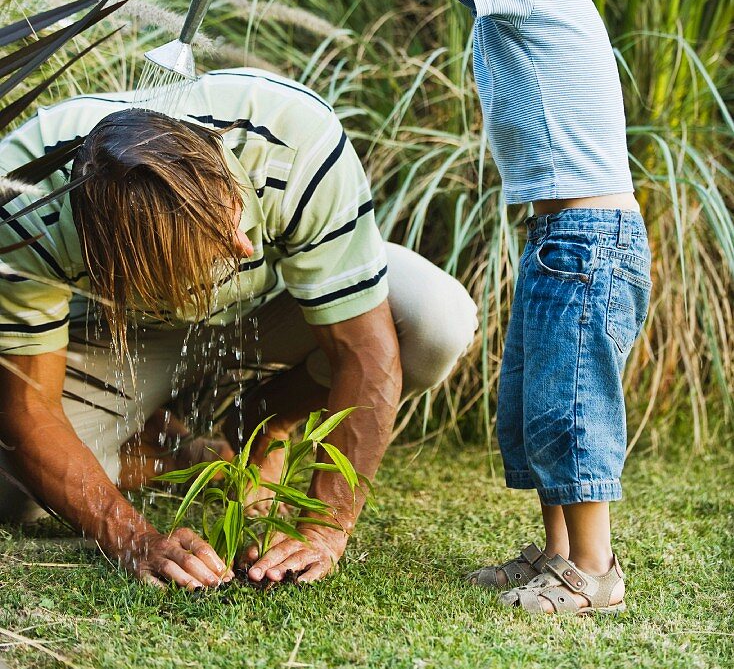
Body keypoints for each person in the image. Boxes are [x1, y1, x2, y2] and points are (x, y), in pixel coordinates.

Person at [201, 0, 653, 616]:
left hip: (592, 238)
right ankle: (555, 554)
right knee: (534, 398)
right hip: (564, 236)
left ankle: (593, 571)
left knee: (571, 403)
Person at [0, 68, 477, 589]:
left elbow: (363, 351)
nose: (242, 247)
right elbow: (30, 408)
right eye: (212, 251)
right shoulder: (22, 201)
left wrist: (323, 529)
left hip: (281, 303)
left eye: (234, 219)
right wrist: (134, 539)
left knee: (435, 321)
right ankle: (177, 447)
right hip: (128, 333)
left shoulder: (294, 136)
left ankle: (263, 421)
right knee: (16, 488)